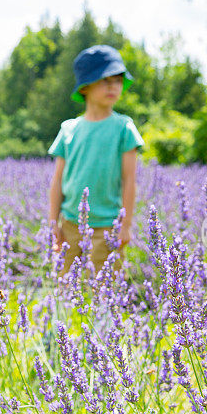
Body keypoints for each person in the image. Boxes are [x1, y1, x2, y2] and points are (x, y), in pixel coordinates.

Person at [48, 44, 144, 277]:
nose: (114, 86)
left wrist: (126, 225)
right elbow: (58, 180)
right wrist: (53, 225)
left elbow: (129, 180)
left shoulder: (124, 128)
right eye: (105, 80)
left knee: (105, 294)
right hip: (70, 224)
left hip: (108, 227)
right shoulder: (68, 129)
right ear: (85, 87)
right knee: (65, 289)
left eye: (118, 80)